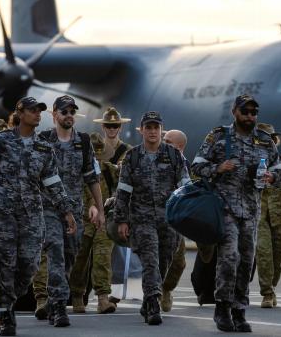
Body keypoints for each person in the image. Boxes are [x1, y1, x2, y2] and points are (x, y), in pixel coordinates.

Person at [0, 97, 75, 336]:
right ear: (20, 113)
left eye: (39, 111)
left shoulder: (43, 147)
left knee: (29, 264)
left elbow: (52, 182)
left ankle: (7, 298)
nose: (37, 114)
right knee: (5, 263)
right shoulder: (1, 142)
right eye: (32, 111)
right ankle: (6, 312)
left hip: (30, 213)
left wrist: (66, 210)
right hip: (0, 212)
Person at [191, 94, 281, 333]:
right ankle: (222, 307)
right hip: (225, 208)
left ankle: (239, 309)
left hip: (251, 210)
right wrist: (218, 168)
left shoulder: (265, 141)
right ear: (235, 111)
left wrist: (271, 176)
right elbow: (196, 166)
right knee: (229, 258)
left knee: (246, 260)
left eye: (254, 113)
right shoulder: (218, 137)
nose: (250, 117)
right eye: (245, 112)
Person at [33, 95, 105, 327]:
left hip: (75, 211)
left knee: (69, 258)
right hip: (49, 209)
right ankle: (59, 307)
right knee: (55, 252)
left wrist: (100, 209)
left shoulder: (83, 142)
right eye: (64, 112)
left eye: (72, 112)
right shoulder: (43, 140)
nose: (69, 116)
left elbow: (92, 178)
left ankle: (55, 299)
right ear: (54, 115)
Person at [114, 111, 190, 325]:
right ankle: (154, 302)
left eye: (156, 127)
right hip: (142, 218)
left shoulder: (175, 156)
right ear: (142, 130)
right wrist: (122, 219)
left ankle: (148, 300)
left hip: (169, 219)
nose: (153, 131)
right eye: (149, 127)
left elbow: (185, 185)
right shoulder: (132, 157)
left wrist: (188, 214)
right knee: (150, 261)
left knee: (164, 260)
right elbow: (123, 190)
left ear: (161, 130)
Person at [68, 107, 132, 314]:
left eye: (99, 154)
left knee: (103, 258)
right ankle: (77, 296)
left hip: (105, 218)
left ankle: (103, 298)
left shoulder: (110, 169)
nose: (96, 158)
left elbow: (125, 182)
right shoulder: (77, 172)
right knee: (80, 259)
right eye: (93, 154)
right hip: (83, 218)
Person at [254, 123, 281, 309]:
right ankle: (267, 293)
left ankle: (272, 285)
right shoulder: (251, 161)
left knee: (278, 255)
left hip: (280, 217)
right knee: (263, 252)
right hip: (259, 216)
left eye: (271, 139)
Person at [160, 129, 189, 312]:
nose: (164, 143)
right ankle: (151, 296)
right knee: (151, 259)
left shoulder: (185, 165)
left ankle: (166, 289)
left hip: (175, 220)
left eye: (168, 141)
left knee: (178, 263)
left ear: (179, 147)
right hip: (152, 217)